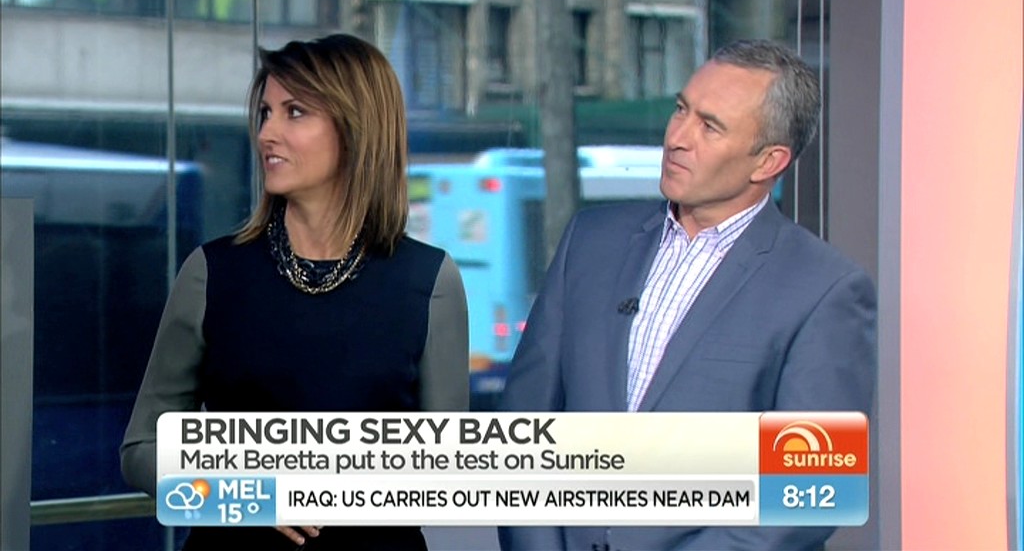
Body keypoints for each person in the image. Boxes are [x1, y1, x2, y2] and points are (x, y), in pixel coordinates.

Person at [497, 39, 877, 551]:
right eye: (681, 110)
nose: (676, 137)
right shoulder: (589, 243)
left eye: (709, 126)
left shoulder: (824, 290)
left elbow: (809, 493)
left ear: (768, 162)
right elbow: (524, 430)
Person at [120, 33, 469, 551]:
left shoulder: (428, 281)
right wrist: (243, 495)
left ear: (356, 128)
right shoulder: (213, 274)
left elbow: (446, 475)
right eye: (265, 113)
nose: (267, 133)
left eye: (295, 113)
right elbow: (140, 449)